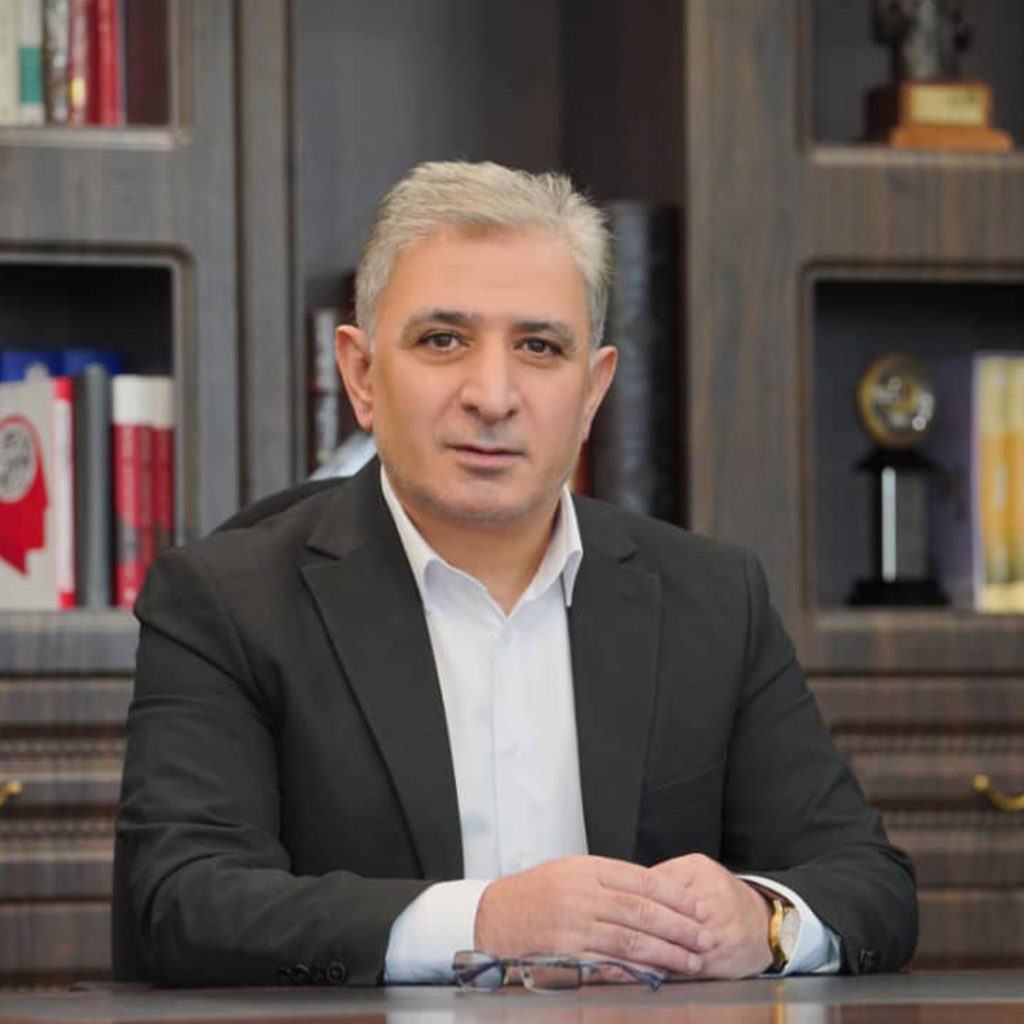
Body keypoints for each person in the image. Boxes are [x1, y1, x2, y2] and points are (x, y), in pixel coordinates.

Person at [114, 161, 917, 988]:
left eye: (540, 347)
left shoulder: (711, 598)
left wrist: (766, 922)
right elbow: (183, 903)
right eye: (443, 340)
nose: (492, 396)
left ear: (594, 389)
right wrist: (486, 924)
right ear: (360, 374)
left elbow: (869, 882)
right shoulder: (226, 602)